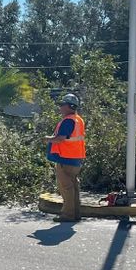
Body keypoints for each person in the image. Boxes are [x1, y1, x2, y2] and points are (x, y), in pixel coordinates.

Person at [45, 93, 86, 222]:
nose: (60, 107)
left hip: (66, 159)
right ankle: (75, 214)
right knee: (73, 187)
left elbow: (60, 139)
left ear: (69, 106)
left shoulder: (68, 120)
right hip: (75, 158)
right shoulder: (78, 119)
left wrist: (47, 139)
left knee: (66, 187)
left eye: (62, 105)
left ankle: (68, 215)